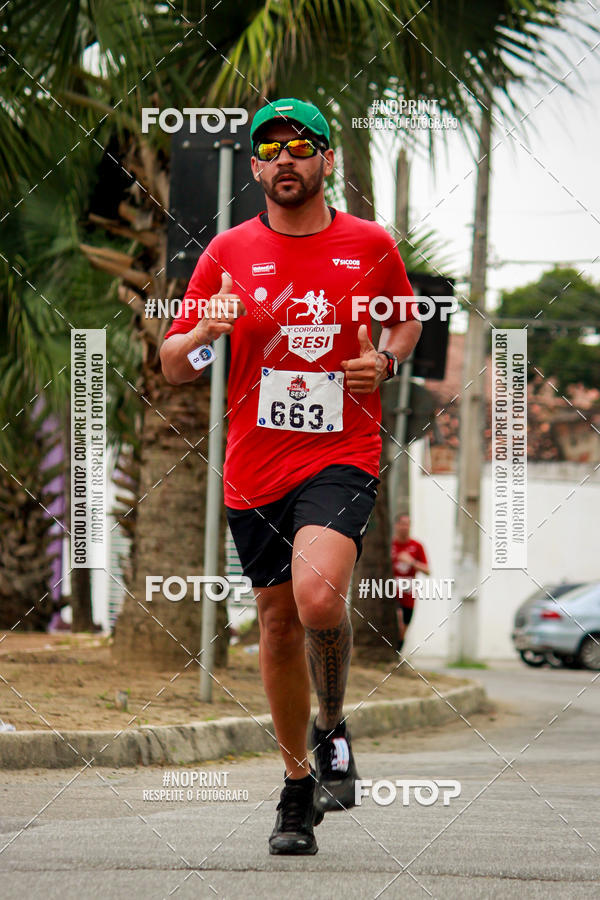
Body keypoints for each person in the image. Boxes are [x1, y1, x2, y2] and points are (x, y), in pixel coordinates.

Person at [160, 98, 422, 855]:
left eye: (302, 147)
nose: (286, 159)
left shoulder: (369, 244)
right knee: (276, 626)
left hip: (341, 453)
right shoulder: (228, 253)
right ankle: (298, 784)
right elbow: (176, 367)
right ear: (253, 167)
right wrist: (206, 330)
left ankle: (332, 723)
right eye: (270, 148)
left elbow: (404, 318)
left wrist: (388, 360)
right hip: (253, 469)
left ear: (326, 161)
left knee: (317, 596)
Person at [391, 514, 430, 654]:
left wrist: (411, 562)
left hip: (409, 594)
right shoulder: (390, 545)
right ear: (396, 525)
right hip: (391, 592)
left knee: (403, 630)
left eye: (407, 524)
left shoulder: (417, 546)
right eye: (402, 523)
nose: (405, 527)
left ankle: (396, 654)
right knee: (399, 622)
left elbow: (427, 570)